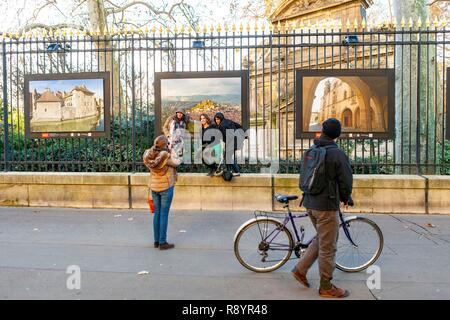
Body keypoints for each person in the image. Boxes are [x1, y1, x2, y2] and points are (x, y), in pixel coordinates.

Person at [292, 118, 353, 298]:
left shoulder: (311, 150)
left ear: (323, 131)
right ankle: (326, 286)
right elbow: (346, 181)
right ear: (337, 134)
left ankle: (300, 270)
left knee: (322, 239)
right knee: (328, 247)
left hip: (310, 203)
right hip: (326, 206)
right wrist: (346, 197)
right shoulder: (337, 154)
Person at [143, 135, 181, 250]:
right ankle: (163, 242)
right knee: (164, 214)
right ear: (164, 145)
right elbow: (177, 162)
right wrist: (172, 149)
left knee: (157, 214)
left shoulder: (149, 155)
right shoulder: (166, 157)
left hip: (154, 187)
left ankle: (156, 241)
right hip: (165, 187)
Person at [213, 112, 244, 176]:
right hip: (235, 141)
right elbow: (239, 126)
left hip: (231, 143)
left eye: (218, 119)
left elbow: (225, 137)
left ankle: (236, 171)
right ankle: (229, 171)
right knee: (227, 157)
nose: (217, 121)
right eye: (216, 119)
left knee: (228, 157)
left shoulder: (222, 126)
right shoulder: (228, 121)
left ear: (221, 118)